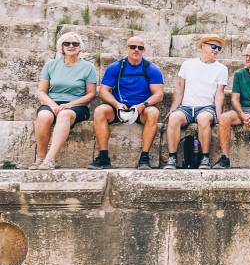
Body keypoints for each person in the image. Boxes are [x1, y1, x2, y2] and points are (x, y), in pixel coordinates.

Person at [89, 36, 164, 170]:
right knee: (99, 111)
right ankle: (103, 158)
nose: (136, 50)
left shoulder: (151, 69)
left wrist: (142, 106)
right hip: (118, 107)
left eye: (140, 48)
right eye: (133, 47)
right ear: (126, 48)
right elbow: (103, 91)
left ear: (143, 50)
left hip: (140, 109)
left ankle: (144, 158)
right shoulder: (115, 67)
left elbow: (158, 95)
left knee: (153, 112)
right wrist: (117, 104)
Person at [30, 32, 97, 170]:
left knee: (64, 114)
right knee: (43, 116)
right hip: (52, 103)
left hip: (77, 105)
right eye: (67, 43)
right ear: (61, 46)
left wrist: (69, 105)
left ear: (80, 47)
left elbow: (91, 94)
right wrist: (53, 105)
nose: (71, 46)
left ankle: (49, 160)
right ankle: (40, 158)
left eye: (75, 44)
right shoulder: (51, 65)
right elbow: (41, 91)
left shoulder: (88, 67)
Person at [164, 35, 228, 169]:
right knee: (174, 118)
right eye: (213, 46)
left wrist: (219, 116)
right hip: (186, 107)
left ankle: (205, 158)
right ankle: (172, 158)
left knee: (203, 118)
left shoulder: (222, 68)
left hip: (206, 107)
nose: (216, 50)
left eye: (219, 48)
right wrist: (173, 109)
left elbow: (219, 94)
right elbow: (180, 89)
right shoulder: (187, 65)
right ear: (203, 46)